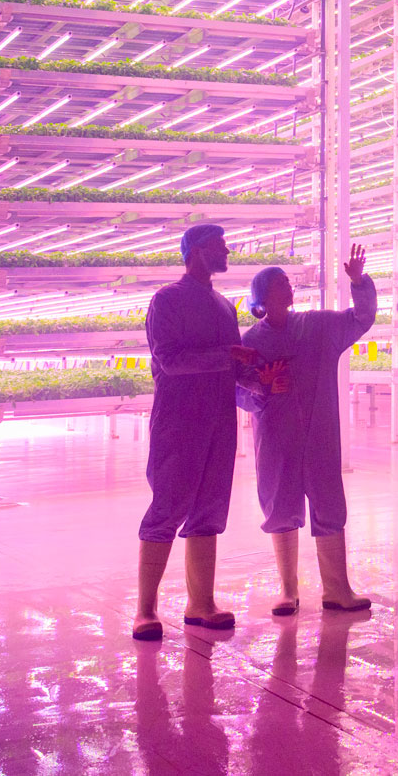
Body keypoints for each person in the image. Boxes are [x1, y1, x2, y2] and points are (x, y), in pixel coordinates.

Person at [132, 222, 266, 640]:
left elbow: (235, 365)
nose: (227, 251)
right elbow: (169, 360)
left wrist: (257, 379)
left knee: (209, 508)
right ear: (195, 252)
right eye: (219, 246)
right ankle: (145, 609)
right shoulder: (166, 301)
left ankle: (201, 603)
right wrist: (226, 355)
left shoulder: (226, 306)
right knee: (168, 506)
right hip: (178, 420)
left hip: (219, 420)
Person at [237, 243, 378, 616]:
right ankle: (288, 590)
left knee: (328, 501)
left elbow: (360, 319)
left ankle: (337, 589)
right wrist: (260, 391)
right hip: (276, 437)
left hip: (320, 435)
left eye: (287, 280)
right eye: (279, 282)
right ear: (263, 297)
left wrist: (359, 282)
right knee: (280, 504)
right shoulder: (250, 342)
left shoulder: (317, 326)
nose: (289, 286)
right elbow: (236, 388)